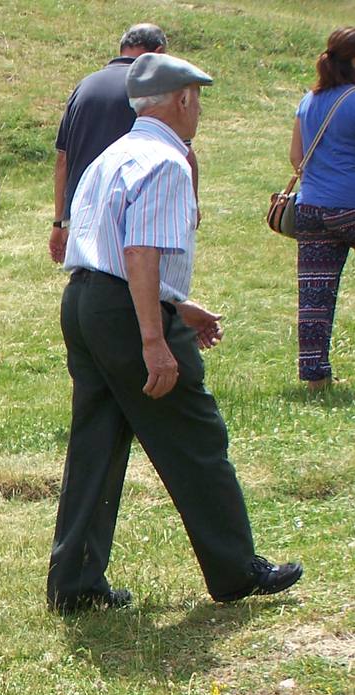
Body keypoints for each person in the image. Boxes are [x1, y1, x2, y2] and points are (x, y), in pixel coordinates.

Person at [48, 54, 304, 615]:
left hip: (86, 301)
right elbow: (139, 251)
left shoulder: (112, 154)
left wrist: (177, 305)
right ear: (182, 99)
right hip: (124, 311)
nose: (199, 108)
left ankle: (75, 583)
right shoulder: (166, 161)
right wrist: (153, 339)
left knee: (97, 443)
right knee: (196, 436)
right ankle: (236, 570)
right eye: (197, 97)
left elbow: (110, 251)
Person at [50, 24, 199, 263]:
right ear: (159, 53)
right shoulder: (153, 93)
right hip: (134, 219)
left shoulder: (84, 86)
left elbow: (63, 159)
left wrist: (60, 221)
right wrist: (191, 208)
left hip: (83, 216)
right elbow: (184, 152)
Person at [290, 26, 355, 391]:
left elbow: (296, 157)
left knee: (314, 295)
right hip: (350, 205)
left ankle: (315, 379)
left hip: (311, 207)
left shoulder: (309, 101)